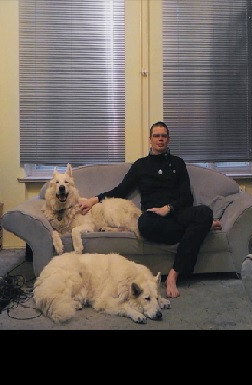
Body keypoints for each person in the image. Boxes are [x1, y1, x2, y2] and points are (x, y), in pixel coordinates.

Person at [79, 121, 221, 298]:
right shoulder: (141, 165)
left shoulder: (178, 163)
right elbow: (120, 190)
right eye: (156, 136)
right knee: (144, 225)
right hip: (154, 219)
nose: (160, 139)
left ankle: (173, 274)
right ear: (150, 139)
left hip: (178, 213)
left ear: (168, 139)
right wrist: (94, 199)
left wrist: (168, 208)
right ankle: (202, 228)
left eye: (164, 136)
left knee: (205, 212)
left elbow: (187, 197)